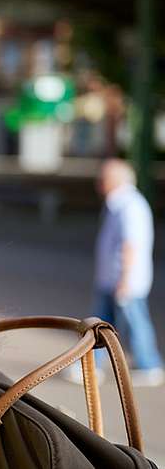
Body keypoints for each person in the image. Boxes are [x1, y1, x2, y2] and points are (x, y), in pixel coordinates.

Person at [92, 159, 164, 386]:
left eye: (103, 178)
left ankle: (149, 364)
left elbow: (130, 245)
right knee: (101, 325)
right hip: (111, 279)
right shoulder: (118, 204)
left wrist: (124, 280)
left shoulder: (129, 205)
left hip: (123, 280)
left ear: (115, 180)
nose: (99, 183)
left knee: (134, 322)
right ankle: (92, 365)